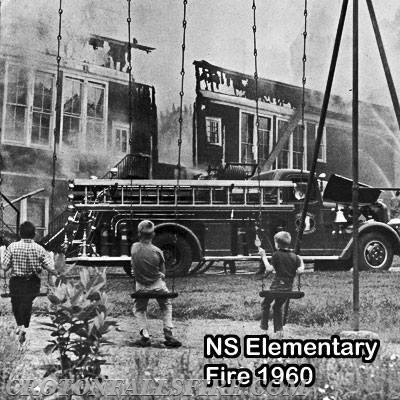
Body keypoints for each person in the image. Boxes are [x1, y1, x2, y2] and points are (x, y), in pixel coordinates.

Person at [0, 221, 59, 344]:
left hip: (16, 282)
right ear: (34, 234)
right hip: (33, 282)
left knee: (16, 303)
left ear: (20, 233)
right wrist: (56, 274)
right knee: (27, 303)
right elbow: (50, 267)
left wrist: (3, 257)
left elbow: (5, 268)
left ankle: (20, 325)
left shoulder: (12, 247)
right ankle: (25, 326)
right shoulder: (39, 248)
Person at [130, 220, 181, 348]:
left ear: (139, 234)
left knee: (139, 309)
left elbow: (134, 266)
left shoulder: (134, 247)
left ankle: (145, 336)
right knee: (166, 305)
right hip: (157, 285)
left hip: (141, 286)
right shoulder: (157, 251)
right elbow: (163, 271)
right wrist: (161, 277)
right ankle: (168, 334)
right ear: (153, 235)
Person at [259, 231, 304, 336]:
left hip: (276, 288)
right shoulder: (294, 256)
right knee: (277, 306)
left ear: (276, 243)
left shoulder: (276, 255)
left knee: (265, 304)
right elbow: (300, 271)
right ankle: (279, 331)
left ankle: (264, 330)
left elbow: (269, 269)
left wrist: (263, 256)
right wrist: (301, 262)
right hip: (288, 289)